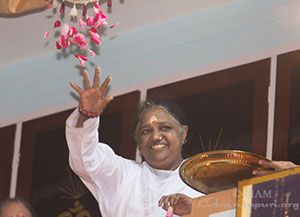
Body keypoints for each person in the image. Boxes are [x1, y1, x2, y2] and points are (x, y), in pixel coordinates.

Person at [66, 66, 298, 217]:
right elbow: (85, 158)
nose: (156, 136)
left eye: (165, 128)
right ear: (137, 139)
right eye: (146, 131)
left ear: (183, 133)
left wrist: (288, 179)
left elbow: (263, 208)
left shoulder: (210, 180)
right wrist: (87, 115)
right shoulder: (121, 176)